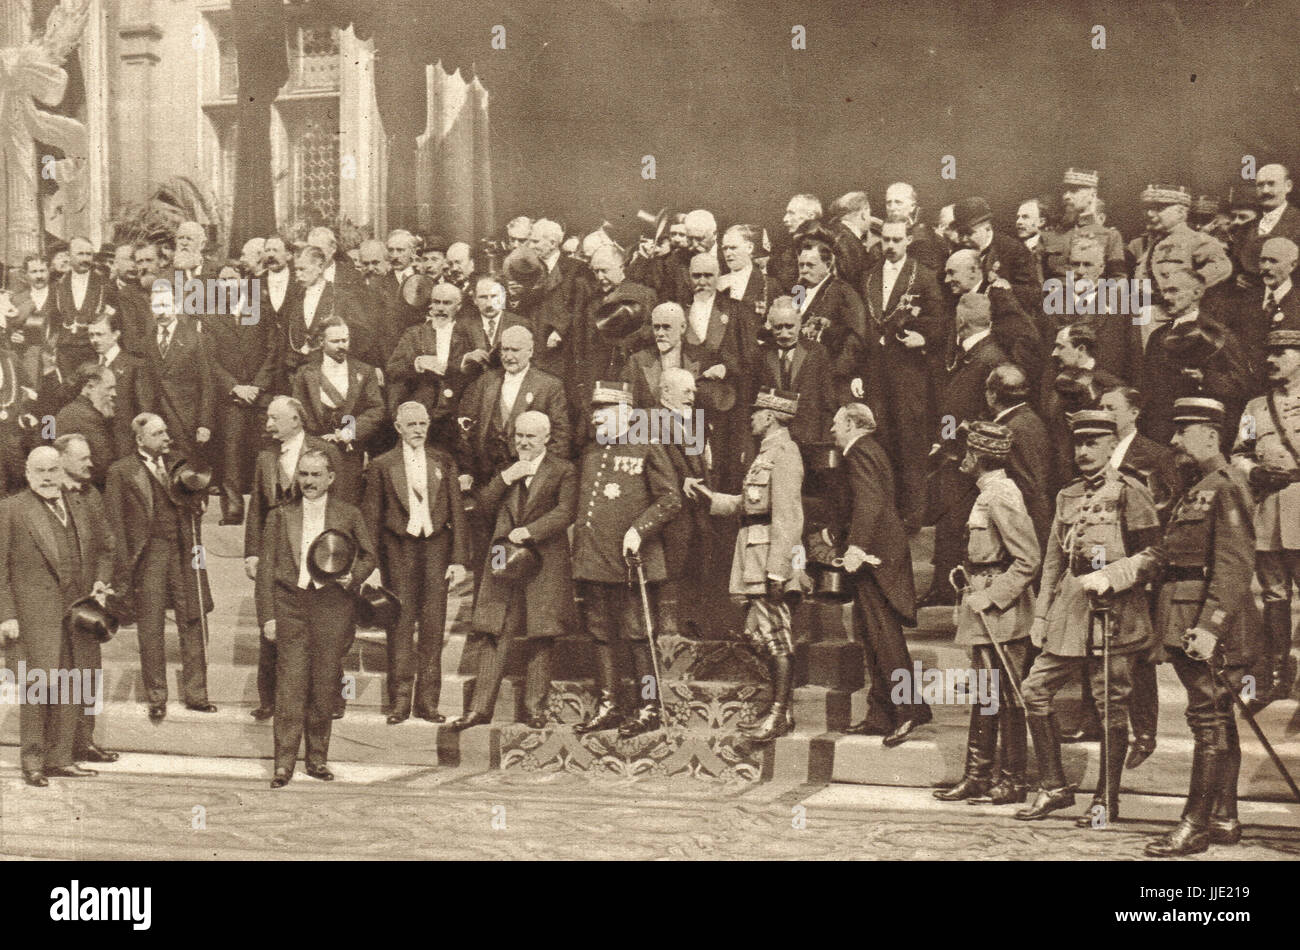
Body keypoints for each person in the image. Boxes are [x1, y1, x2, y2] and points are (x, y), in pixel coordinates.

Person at [1081, 398, 1258, 856]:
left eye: (1184, 432)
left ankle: (1193, 825)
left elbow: (1235, 565)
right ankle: (1224, 817)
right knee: (1217, 719)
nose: (1175, 441)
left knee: (1208, 721)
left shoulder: (1227, 485)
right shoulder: (1194, 489)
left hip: (1210, 624)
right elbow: (1164, 553)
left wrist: (1212, 626)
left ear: (1211, 435)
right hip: (1182, 617)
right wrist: (1113, 575)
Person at [1015, 410, 1161, 826]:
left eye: (1093, 443)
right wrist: (1041, 616)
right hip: (1070, 609)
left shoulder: (1131, 490)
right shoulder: (1067, 495)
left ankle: (1105, 800)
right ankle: (1054, 787)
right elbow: (1052, 562)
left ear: (1112, 445)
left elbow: (1154, 554)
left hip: (1116, 611)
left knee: (1109, 707)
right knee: (1034, 691)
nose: (1083, 451)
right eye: (1079, 443)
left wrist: (1113, 576)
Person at [450, 411, 577, 730]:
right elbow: (482, 509)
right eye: (519, 435)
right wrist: (506, 478)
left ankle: (534, 709)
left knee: (541, 635)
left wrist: (531, 530)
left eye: (530, 436)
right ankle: (479, 710)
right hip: (503, 562)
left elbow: (566, 512)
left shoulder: (563, 470)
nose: (523, 442)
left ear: (546, 438)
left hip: (544, 562)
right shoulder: (506, 470)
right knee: (494, 632)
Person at [814, 403, 932, 745]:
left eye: (836, 423)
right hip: (876, 553)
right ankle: (882, 714)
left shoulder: (861, 451)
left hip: (876, 557)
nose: (832, 430)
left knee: (883, 636)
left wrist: (856, 548)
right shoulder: (867, 450)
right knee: (874, 634)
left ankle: (908, 711)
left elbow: (870, 502)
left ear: (852, 423)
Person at [257, 448, 375, 788]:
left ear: (331, 478)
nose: (308, 482)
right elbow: (265, 570)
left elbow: (369, 556)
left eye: (315, 475)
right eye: (303, 475)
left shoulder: (348, 514)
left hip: (332, 608)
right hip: (290, 606)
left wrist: (353, 576)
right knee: (291, 685)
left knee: (325, 684)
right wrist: (267, 616)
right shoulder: (279, 516)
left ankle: (317, 759)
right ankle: (283, 764)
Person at [934, 422, 1039, 804]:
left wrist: (992, 597)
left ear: (978, 456)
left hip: (1003, 613)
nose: (961, 457)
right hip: (982, 604)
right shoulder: (986, 493)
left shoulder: (1000, 495)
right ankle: (977, 776)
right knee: (985, 694)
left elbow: (1029, 560)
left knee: (1008, 696)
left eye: (966, 452)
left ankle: (1013, 781)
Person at [571, 381, 682, 736]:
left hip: (632, 560)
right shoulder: (589, 452)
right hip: (594, 558)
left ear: (626, 414)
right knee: (601, 633)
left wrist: (639, 529)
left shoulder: (647, 446)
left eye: (603, 415)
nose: (596, 421)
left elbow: (670, 499)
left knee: (638, 635)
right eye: (595, 414)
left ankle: (649, 706)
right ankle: (610, 704)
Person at [0, 446, 115, 786]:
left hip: (76, 615)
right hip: (33, 617)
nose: (48, 477)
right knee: (38, 690)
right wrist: (6, 615)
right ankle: (33, 761)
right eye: (41, 471)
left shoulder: (79, 505)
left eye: (53, 469)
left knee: (71, 686)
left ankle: (61, 758)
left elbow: (104, 549)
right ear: (28, 473)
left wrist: (100, 579)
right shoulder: (11, 509)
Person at [699, 387, 805, 740]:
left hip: (768, 558)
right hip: (752, 553)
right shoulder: (766, 454)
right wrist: (710, 499)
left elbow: (788, 517)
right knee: (758, 634)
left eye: (756, 412)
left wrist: (779, 569)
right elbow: (751, 503)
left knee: (775, 637)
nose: (751, 417)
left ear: (771, 416)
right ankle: (781, 709)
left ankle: (779, 714)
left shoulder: (785, 453)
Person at [103, 413, 216, 722]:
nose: (167, 437)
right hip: (148, 555)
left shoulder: (179, 463)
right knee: (150, 626)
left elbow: (199, 490)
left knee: (192, 618)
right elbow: (115, 523)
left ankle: (197, 694)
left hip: (184, 550)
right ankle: (157, 696)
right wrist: (122, 569)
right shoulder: (121, 471)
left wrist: (200, 499)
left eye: (166, 431)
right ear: (140, 440)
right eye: (158, 434)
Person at [362, 401, 470, 724]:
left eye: (423, 424)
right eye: (412, 425)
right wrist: (372, 566)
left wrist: (459, 558)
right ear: (398, 427)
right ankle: (400, 701)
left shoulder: (443, 461)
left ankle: (428, 702)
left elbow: (456, 512)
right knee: (400, 625)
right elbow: (371, 518)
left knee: (434, 627)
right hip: (399, 551)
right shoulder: (383, 465)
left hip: (436, 549)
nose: (419, 431)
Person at [1231, 329, 1300, 707]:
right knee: (1274, 595)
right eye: (1270, 352)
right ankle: (1276, 673)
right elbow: (1238, 453)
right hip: (1268, 511)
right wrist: (1253, 473)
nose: (1273, 359)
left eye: (1283, 352)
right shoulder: (1256, 408)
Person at [54, 434, 120, 765]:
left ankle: (85, 741)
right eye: (82, 459)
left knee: (89, 672)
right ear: (62, 459)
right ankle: (61, 748)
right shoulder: (49, 496)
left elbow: (108, 545)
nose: (90, 464)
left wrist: (100, 581)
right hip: (57, 604)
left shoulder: (92, 495)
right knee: (63, 676)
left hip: (88, 604)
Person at [205, 263, 278, 524]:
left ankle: (269, 508)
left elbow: (273, 351)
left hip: (261, 394)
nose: (228, 285)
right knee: (231, 451)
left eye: (233, 279)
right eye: (223, 280)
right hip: (232, 396)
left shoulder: (262, 310)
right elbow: (210, 360)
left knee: (264, 451)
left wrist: (257, 386)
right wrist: (235, 387)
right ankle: (233, 509)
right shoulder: (211, 316)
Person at [292, 317, 384, 506]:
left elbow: (376, 409)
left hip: (349, 451)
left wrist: (348, 432)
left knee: (347, 504)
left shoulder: (364, 371)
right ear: (321, 342)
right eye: (335, 341)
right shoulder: (305, 373)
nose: (342, 346)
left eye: (345, 340)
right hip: (315, 449)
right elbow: (299, 411)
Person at [53, 363, 117, 491]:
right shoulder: (87, 417)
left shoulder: (74, 409)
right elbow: (104, 465)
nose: (114, 393)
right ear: (89, 387)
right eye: (109, 388)